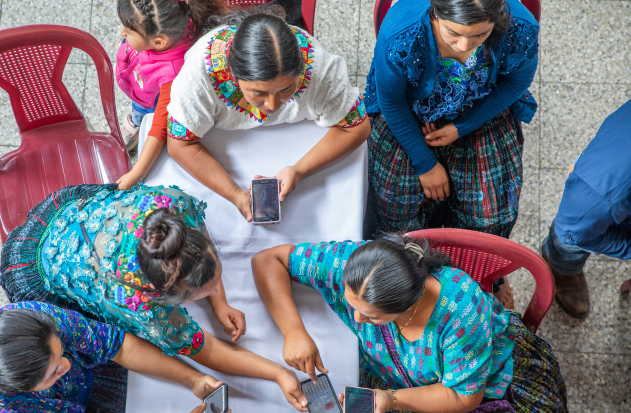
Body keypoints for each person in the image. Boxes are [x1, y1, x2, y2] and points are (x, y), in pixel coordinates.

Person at [0, 184, 308, 410]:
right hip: (38, 266)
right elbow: (207, 350)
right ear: (166, 299)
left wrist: (219, 302)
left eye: (216, 280)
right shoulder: (141, 305)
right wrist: (278, 373)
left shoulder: (173, 207)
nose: (216, 290)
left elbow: (196, 262)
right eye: (206, 292)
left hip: (74, 216)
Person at [252, 235, 567, 413]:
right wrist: (293, 331)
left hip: (478, 389)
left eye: (372, 317)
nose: (358, 320)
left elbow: (462, 397)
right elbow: (268, 260)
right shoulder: (356, 266)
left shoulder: (461, 316)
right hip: (403, 380)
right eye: (351, 304)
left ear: (409, 304)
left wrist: (390, 399)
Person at [165, 9, 370, 222]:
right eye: (258, 93)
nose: (272, 106)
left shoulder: (319, 68)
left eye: (286, 90)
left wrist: (299, 170)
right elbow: (180, 144)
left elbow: (358, 126)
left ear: (302, 71)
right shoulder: (199, 75)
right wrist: (234, 193)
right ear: (232, 75)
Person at [363, 0, 538, 240]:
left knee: (489, 217)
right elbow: (391, 101)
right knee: (398, 212)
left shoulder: (520, 27)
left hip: (481, 106)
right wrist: (425, 163)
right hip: (407, 111)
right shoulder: (401, 32)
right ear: (435, 13)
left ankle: (474, 264)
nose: (464, 45)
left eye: (481, 34)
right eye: (453, 33)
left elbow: (516, 83)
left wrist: (461, 127)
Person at [0, 301, 255, 412]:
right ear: (22, 390)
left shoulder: (33, 318)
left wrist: (194, 379)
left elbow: (117, 345)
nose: (66, 364)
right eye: (53, 374)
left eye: (61, 353)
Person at [114, 0, 227, 189]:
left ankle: (135, 128)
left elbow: (159, 128)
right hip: (140, 83)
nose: (122, 32)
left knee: (142, 116)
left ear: (158, 42)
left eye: (129, 31)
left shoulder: (172, 75)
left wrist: (137, 172)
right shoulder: (165, 24)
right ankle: (135, 122)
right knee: (137, 111)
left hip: (148, 102)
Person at [541, 99, 631, 319]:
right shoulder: (599, 190)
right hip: (600, 197)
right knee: (574, 235)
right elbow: (575, 231)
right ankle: (562, 265)